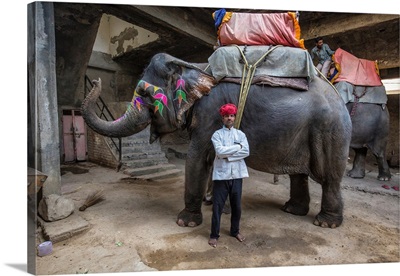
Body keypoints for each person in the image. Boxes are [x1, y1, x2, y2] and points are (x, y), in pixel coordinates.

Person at [208, 103, 250, 248]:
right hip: (221, 176)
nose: (229, 118)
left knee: (236, 206)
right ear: (223, 117)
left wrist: (229, 155)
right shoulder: (217, 135)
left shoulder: (241, 134)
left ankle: (235, 231)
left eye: (231, 115)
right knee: (218, 207)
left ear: (234, 117)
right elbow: (219, 151)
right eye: (226, 116)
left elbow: (246, 152)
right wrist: (238, 147)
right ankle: (214, 235)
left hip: (237, 175)